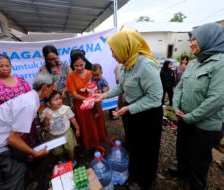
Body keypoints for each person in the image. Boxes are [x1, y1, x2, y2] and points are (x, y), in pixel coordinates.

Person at [96, 30, 163, 189]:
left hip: (148, 114)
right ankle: (136, 173)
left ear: (124, 47)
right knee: (135, 145)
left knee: (147, 148)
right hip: (134, 112)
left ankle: (145, 181)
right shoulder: (127, 63)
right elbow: (121, 87)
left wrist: (129, 107)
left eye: (113, 50)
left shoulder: (145, 65)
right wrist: (103, 96)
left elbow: (155, 98)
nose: (112, 54)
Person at [0, 72, 54, 190]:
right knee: (15, 174)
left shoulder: (30, 98)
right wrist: (34, 153)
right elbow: (12, 138)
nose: (52, 90)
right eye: (51, 87)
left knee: (18, 166)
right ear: (44, 87)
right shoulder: (30, 103)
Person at [171, 23, 224, 190]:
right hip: (184, 117)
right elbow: (180, 86)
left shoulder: (220, 64)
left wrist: (191, 117)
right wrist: (175, 105)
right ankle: (183, 171)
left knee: (199, 158)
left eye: (195, 39)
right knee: (183, 148)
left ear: (209, 39)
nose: (191, 43)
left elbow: (216, 99)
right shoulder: (194, 62)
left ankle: (197, 185)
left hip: (204, 125)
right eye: (190, 39)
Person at [67, 50, 107, 151]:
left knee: (97, 124)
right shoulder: (70, 76)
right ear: (72, 65)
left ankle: (98, 144)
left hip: (95, 105)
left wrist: (101, 92)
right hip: (82, 107)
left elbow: (101, 85)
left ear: (85, 62)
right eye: (76, 66)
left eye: (81, 65)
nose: (79, 68)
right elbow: (74, 94)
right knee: (87, 127)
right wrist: (88, 100)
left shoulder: (91, 73)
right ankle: (90, 145)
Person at [40, 91, 80, 161]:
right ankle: (62, 160)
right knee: (58, 151)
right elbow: (43, 125)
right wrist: (46, 119)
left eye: (59, 98)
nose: (59, 101)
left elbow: (72, 118)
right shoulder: (45, 113)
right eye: (56, 99)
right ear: (48, 103)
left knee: (70, 149)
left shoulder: (65, 108)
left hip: (67, 133)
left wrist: (77, 128)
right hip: (54, 136)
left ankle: (72, 160)